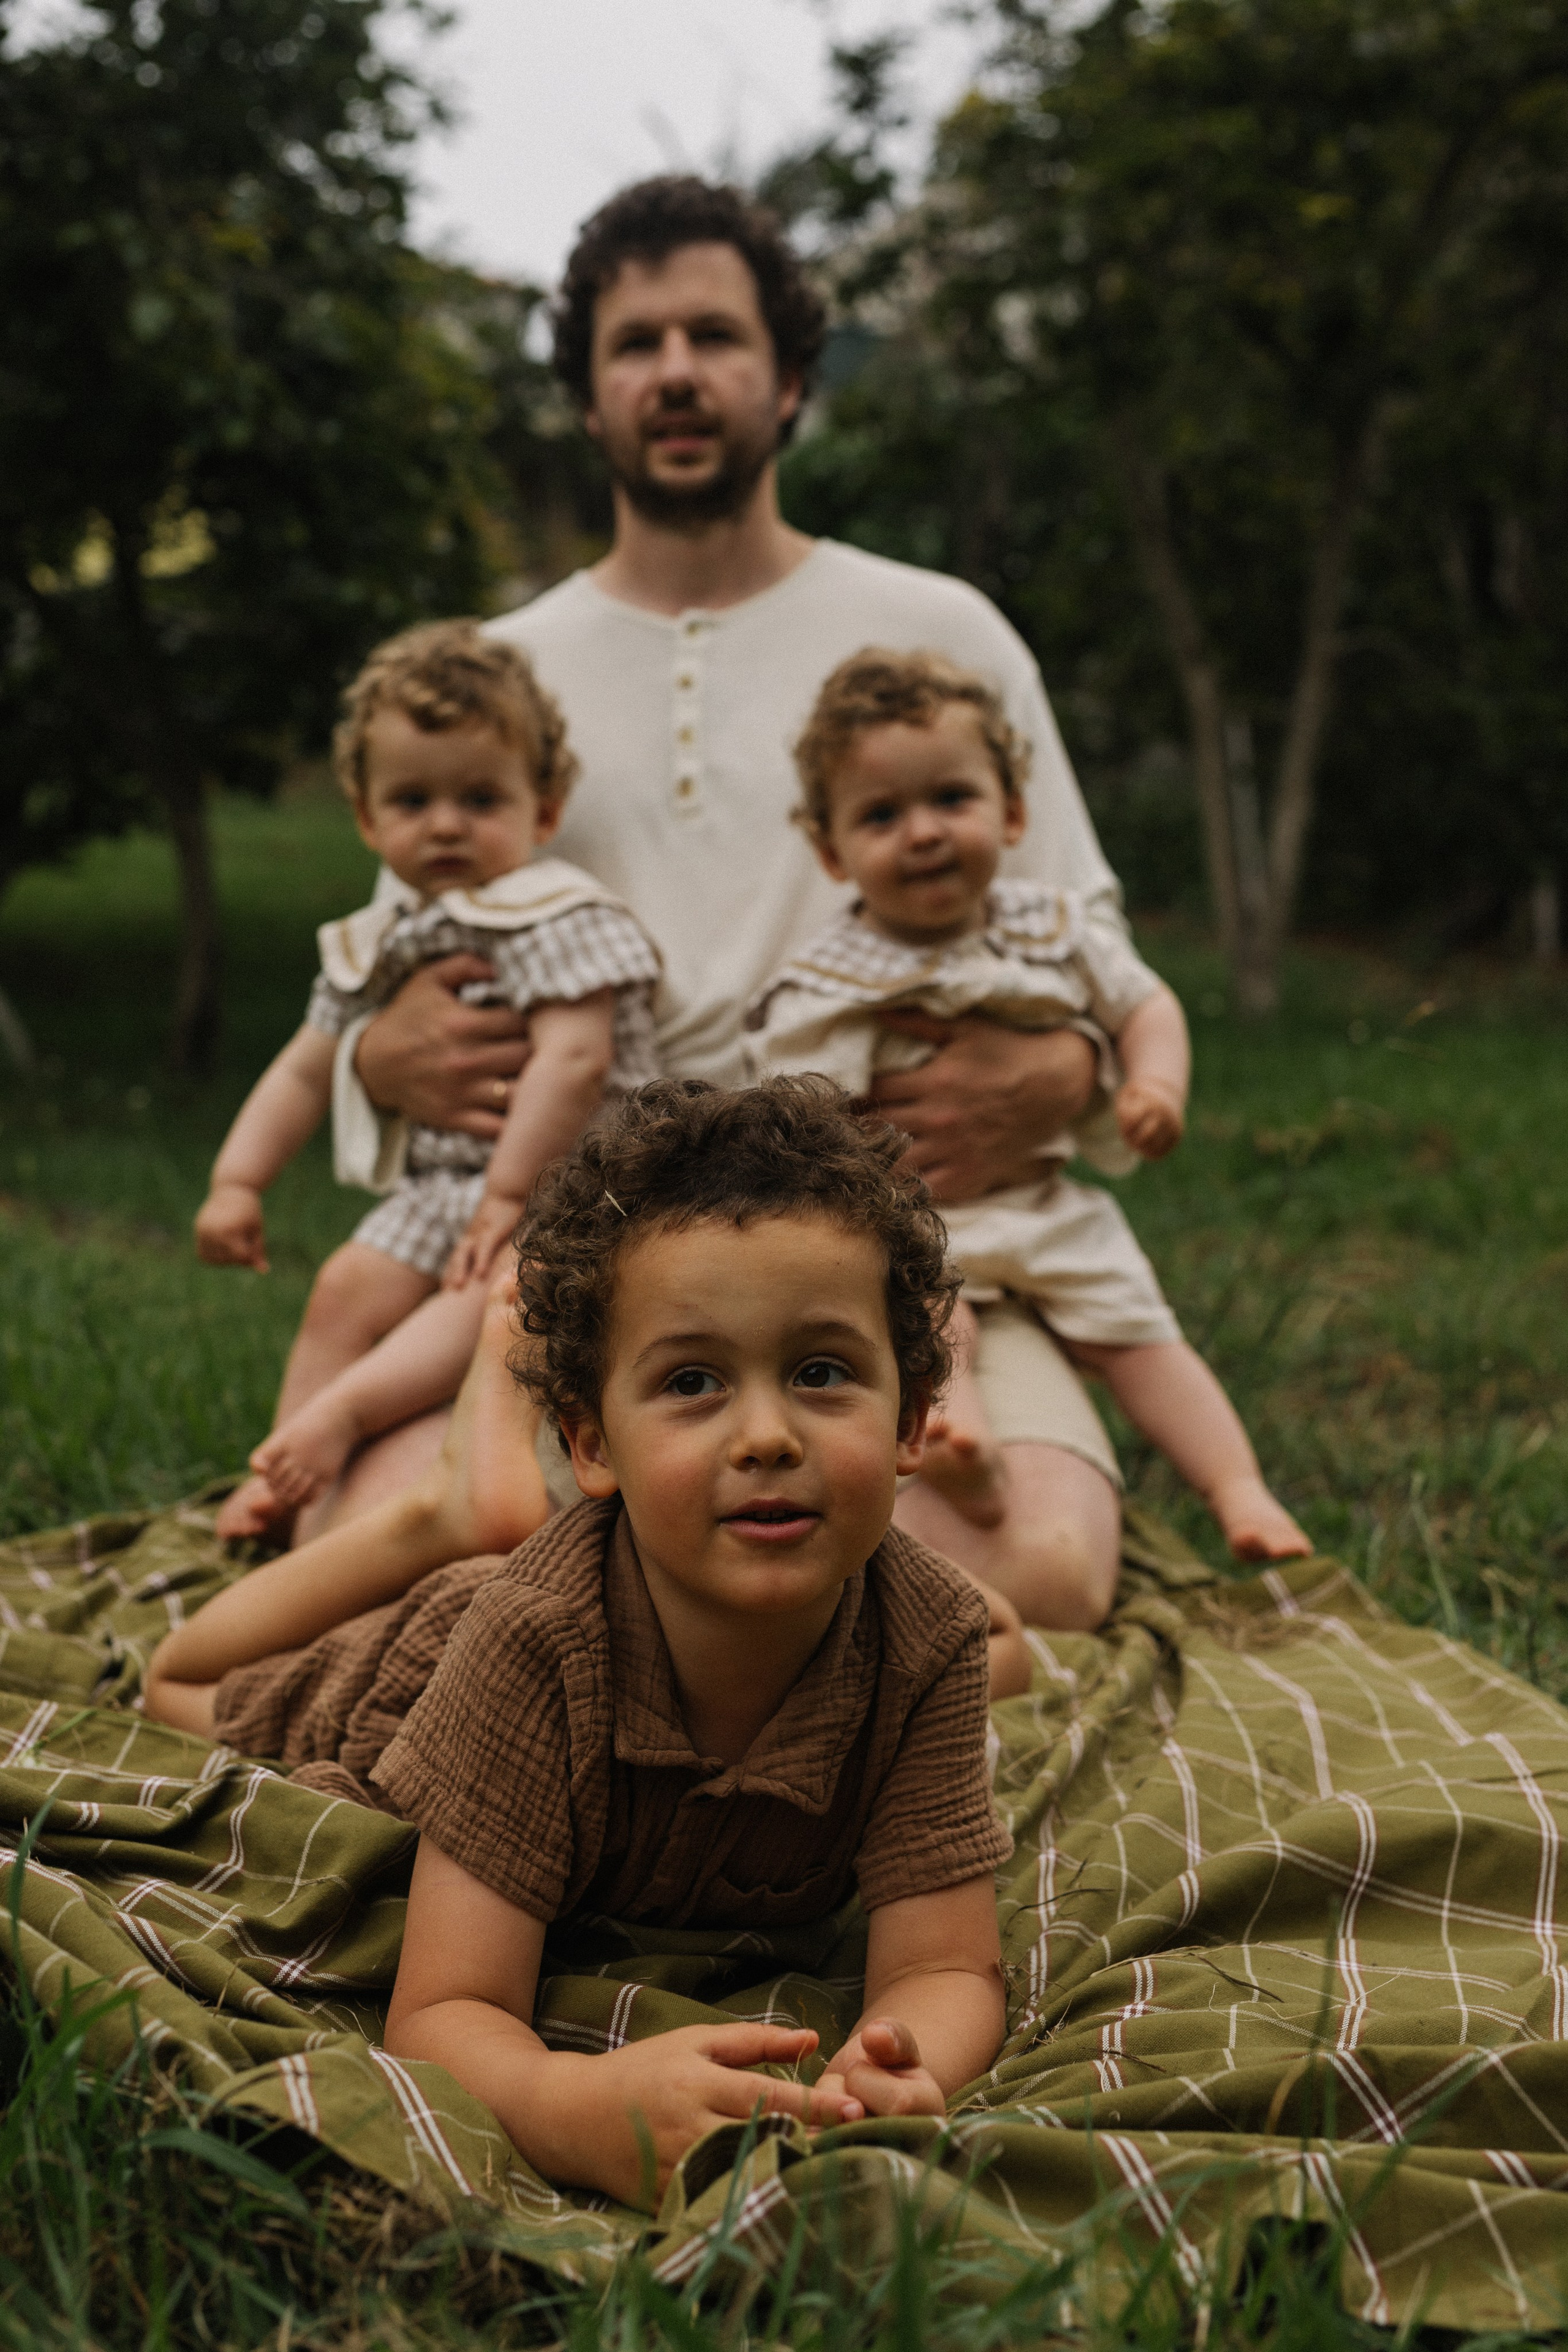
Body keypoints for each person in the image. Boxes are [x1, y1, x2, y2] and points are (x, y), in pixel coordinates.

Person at [330, 174, 1174, 1624]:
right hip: (588, 1251)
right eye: (633, 342)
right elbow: (399, 972)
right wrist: (375, 1058)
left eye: (712, 335)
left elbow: (1084, 955)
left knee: (1036, 1565)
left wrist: (1074, 1070)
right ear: (586, 399)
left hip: (900, 1238)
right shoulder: (490, 673)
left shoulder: (939, 632)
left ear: (787, 382)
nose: (673, 371)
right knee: (391, 1560)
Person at [154, 1080, 1019, 2204]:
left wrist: (901, 2066)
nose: (766, 1436)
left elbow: (947, 1966)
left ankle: (473, 1509)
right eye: (693, 1383)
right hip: (414, 1675)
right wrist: (571, 2108)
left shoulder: (931, 1637)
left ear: (909, 1422)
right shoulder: (534, 1638)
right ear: (592, 1443)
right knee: (182, 1693)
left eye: (820, 1372)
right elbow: (448, 2011)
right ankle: (445, 1512)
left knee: (988, 1640)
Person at [749, 651, 1309, 1592]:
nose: (923, 833)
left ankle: (1240, 1489)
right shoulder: (828, 980)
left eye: (952, 799)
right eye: (882, 816)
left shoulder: (1055, 929)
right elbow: (800, 1113)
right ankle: (959, 1432)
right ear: (832, 851)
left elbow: (1148, 1007)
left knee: (1141, 1337)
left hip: (1049, 1206)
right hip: (916, 1218)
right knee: (929, 1309)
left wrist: (1154, 1088)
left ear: (1012, 813)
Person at [194, 621, 660, 1541]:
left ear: (544, 807)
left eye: (480, 797)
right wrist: (236, 1182)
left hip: (566, 1193)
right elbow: (302, 1066)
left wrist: (507, 1193)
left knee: (491, 1301)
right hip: (444, 1189)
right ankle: (282, 1471)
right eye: (412, 800)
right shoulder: (384, 940)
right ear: (367, 819)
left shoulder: (559, 917)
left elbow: (579, 1060)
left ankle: (345, 1418)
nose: (445, 823)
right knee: (342, 1288)